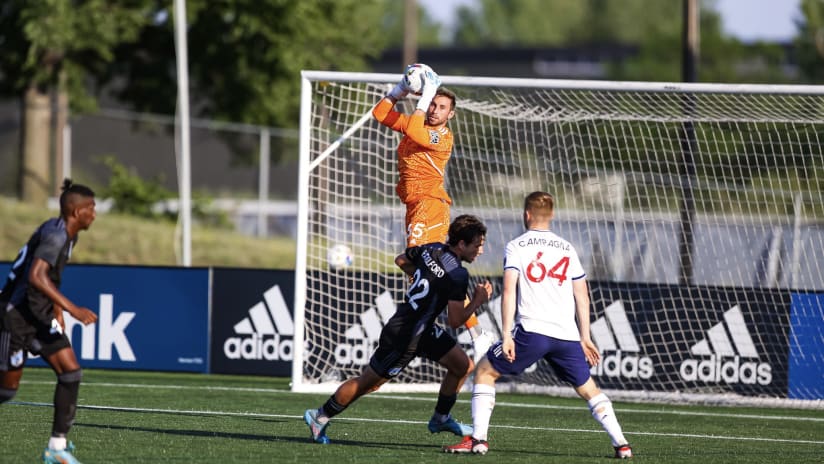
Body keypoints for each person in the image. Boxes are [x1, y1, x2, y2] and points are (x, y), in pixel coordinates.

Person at [443, 192, 633, 459]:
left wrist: (507, 335)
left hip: (532, 332)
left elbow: (509, 292)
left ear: (527, 215)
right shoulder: (567, 248)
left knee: (484, 372)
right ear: (552, 215)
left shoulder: (517, 246)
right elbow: (582, 294)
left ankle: (478, 440)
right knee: (589, 389)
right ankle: (622, 444)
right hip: (566, 335)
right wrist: (585, 336)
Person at [304, 215, 493, 445]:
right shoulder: (458, 275)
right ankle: (320, 416)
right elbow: (455, 321)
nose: (480, 250)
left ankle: (441, 417)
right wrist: (478, 300)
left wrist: (426, 279)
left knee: (462, 365)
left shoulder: (431, 248)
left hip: (420, 328)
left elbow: (401, 260)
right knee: (368, 383)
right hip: (406, 336)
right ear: (461, 244)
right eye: (477, 245)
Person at [372, 64, 491, 357]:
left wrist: (424, 94)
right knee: (422, 269)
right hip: (415, 207)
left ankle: (471, 331)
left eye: (441, 107)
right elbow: (379, 114)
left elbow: (414, 127)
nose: (435, 110)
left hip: (430, 206)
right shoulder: (418, 123)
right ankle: (472, 331)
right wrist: (400, 90)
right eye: (433, 104)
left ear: (451, 114)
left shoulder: (442, 138)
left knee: (425, 268)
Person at [0, 179, 99, 464]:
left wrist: (55, 308)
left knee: (71, 373)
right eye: (91, 208)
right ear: (77, 211)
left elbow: (50, 277)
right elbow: (36, 276)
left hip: (39, 315)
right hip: (15, 315)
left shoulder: (67, 234)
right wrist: (72, 309)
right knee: (5, 391)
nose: (94, 214)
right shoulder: (56, 235)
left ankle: (56, 449)